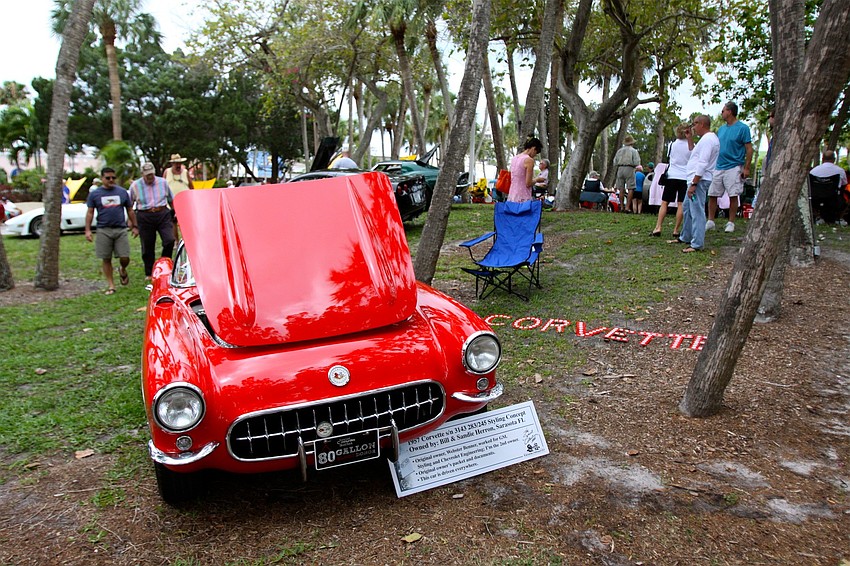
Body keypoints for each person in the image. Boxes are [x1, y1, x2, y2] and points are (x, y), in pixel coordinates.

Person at [84, 167, 138, 295]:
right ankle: (111, 285)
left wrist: (135, 226)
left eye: (113, 178)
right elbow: (90, 212)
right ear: (102, 178)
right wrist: (87, 230)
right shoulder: (95, 194)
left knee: (125, 256)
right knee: (106, 258)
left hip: (120, 229)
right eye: (108, 178)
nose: (111, 180)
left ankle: (122, 269)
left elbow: (130, 210)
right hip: (103, 229)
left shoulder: (122, 192)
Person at [670, 114, 719, 253]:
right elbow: (693, 152)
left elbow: (703, 163)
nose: (693, 127)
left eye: (695, 124)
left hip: (699, 180)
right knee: (686, 207)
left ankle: (697, 243)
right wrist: (689, 138)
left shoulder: (709, 140)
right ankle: (686, 236)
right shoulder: (705, 140)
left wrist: (694, 183)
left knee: (696, 210)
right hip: (693, 179)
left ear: (702, 124)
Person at [707, 101, 753, 233]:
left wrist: (746, 167)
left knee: (733, 194)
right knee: (712, 193)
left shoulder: (742, 128)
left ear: (730, 112)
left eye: (723, 110)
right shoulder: (721, 129)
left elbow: (749, 149)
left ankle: (731, 222)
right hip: (719, 165)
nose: (722, 113)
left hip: (734, 166)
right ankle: (710, 220)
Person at [129, 162, 175, 282]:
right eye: (147, 175)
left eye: (151, 174)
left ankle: (166, 265)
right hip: (144, 215)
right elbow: (129, 205)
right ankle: (149, 271)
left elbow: (171, 199)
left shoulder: (163, 183)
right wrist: (132, 223)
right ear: (142, 174)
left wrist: (175, 213)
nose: (150, 177)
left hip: (162, 213)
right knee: (148, 244)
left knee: (169, 240)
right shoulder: (135, 185)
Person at [651, 123, 694, 237]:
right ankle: (676, 229)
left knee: (665, 202)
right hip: (685, 177)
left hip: (671, 175)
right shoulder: (691, 146)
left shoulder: (672, 145)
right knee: (681, 204)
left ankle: (658, 226)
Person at [163, 153, 193, 241]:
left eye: (179, 163)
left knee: (185, 222)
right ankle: (175, 241)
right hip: (171, 202)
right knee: (173, 222)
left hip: (185, 202)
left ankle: (187, 240)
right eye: (176, 163)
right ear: (172, 164)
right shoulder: (167, 172)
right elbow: (163, 186)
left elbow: (191, 187)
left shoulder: (185, 172)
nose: (178, 165)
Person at [508, 137, 543, 203]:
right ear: (533, 148)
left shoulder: (515, 158)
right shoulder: (529, 160)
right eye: (536, 152)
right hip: (523, 196)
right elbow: (528, 183)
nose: (535, 155)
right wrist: (537, 180)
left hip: (512, 195)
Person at [613, 135, 641, 212]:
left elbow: (615, 162)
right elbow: (637, 162)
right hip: (630, 168)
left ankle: (621, 206)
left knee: (621, 188)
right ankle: (627, 207)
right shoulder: (633, 151)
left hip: (620, 168)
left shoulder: (619, 151)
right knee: (630, 188)